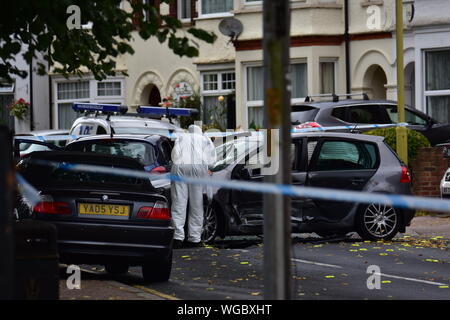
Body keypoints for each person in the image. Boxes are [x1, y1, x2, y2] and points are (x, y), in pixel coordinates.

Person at [171, 124, 216, 248]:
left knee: (179, 203)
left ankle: (177, 238)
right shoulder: (205, 139)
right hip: (198, 168)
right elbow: (212, 162)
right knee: (196, 204)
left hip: (180, 167)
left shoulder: (180, 137)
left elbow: (174, 155)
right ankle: (194, 239)